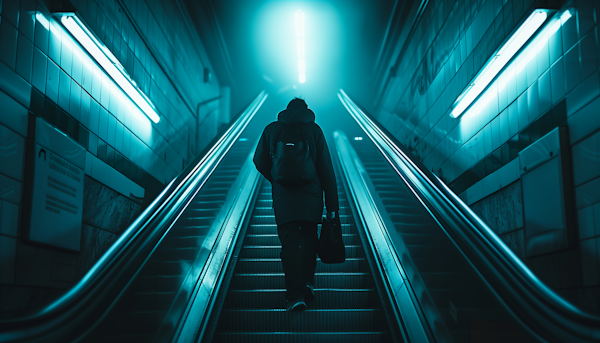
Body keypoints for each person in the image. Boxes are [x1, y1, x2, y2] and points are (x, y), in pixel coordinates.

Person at [253, 97, 339, 311]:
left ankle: (295, 296)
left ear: (286, 110)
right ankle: (307, 283)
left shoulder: (272, 129)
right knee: (309, 238)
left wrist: (276, 178)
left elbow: (258, 160)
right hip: (311, 197)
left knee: (289, 244)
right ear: (306, 110)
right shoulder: (314, 130)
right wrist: (333, 206)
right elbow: (326, 170)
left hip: (284, 199)